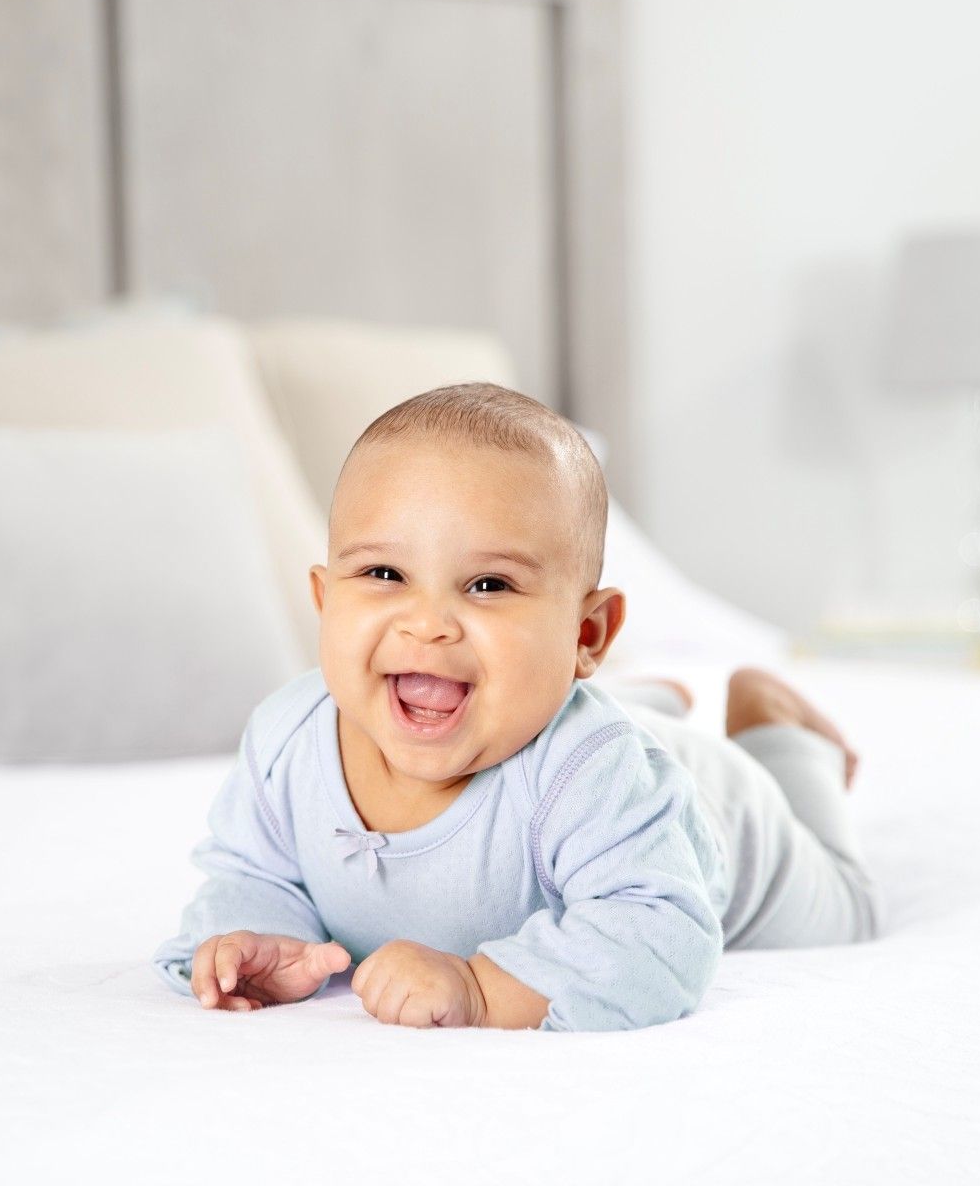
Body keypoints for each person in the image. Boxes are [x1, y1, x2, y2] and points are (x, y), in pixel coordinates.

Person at [151, 383, 881, 1031]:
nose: (427, 622)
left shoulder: (597, 773)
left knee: (849, 908)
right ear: (324, 601)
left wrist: (479, 987)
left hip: (721, 815)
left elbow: (657, 938)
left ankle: (778, 729)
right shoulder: (289, 738)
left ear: (586, 633)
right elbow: (255, 874)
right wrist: (258, 938)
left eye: (489, 585)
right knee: (520, 698)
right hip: (551, 713)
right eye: (383, 573)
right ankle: (643, 698)